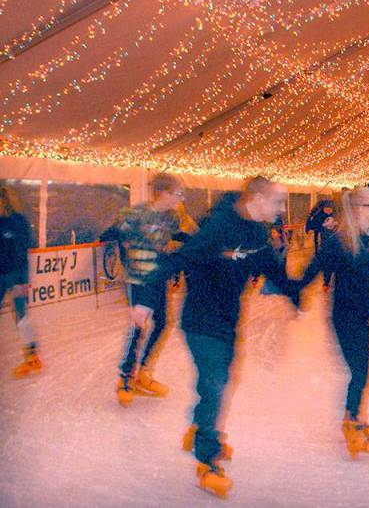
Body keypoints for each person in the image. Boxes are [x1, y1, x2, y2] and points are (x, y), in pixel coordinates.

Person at [144, 176, 294, 498]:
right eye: (277, 202)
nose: (281, 209)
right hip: (200, 319)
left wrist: (295, 292)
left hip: (228, 319)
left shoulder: (257, 230)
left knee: (222, 379)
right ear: (256, 199)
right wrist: (144, 299)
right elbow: (181, 258)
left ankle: (199, 428)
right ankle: (207, 460)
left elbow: (269, 265)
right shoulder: (219, 225)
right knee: (214, 383)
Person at [301, 187, 369, 460]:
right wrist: (292, 292)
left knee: (365, 373)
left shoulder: (363, 237)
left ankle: (355, 418)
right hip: (346, 317)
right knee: (360, 372)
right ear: (358, 209)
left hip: (362, 315)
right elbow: (311, 272)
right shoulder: (339, 241)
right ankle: (353, 424)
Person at [110, 173, 188, 405]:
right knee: (138, 325)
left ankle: (142, 372)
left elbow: (175, 240)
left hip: (157, 278)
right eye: (178, 194)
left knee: (163, 322)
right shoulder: (136, 214)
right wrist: (129, 257)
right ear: (163, 193)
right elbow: (116, 233)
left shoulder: (172, 218)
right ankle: (125, 378)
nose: (180, 199)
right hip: (137, 280)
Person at [1, 186, 40, 379]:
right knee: (21, 315)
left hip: (16, 276)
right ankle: (32, 355)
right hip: (5, 275)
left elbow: (24, 247)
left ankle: (32, 355)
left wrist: (22, 280)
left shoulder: (18, 222)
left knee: (21, 314)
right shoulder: (7, 222)